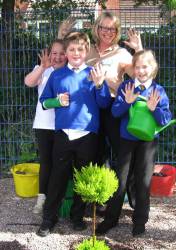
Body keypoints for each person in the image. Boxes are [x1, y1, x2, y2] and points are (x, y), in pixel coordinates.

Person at [37, 32, 111, 237]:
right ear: (67, 52)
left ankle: (76, 217)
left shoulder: (93, 73)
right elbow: (44, 102)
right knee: (57, 178)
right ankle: (48, 219)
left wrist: (99, 84)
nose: (76, 53)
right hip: (63, 134)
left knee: (82, 179)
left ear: (86, 51)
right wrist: (56, 101)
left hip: (87, 134)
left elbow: (104, 103)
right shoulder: (57, 74)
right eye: (72, 49)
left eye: (80, 49)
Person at [96, 49, 172, 236]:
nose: (141, 71)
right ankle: (111, 219)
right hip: (127, 140)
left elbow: (165, 120)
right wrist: (127, 102)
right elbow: (115, 112)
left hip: (148, 142)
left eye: (145, 67)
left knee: (143, 181)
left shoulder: (158, 90)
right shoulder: (126, 87)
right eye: (137, 67)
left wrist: (154, 109)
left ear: (152, 68)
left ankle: (139, 222)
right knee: (120, 180)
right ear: (133, 68)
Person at [86, 11, 143, 212]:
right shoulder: (87, 50)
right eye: (104, 27)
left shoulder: (121, 54)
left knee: (123, 153)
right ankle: (100, 200)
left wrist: (139, 50)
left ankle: (136, 200)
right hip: (90, 108)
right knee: (96, 153)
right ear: (97, 28)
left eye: (112, 28)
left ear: (116, 31)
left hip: (114, 108)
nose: (107, 32)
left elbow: (140, 73)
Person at [24, 39, 67, 214]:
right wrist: (42, 67)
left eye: (61, 53)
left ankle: (59, 198)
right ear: (49, 54)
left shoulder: (69, 72)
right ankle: (42, 198)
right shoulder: (42, 70)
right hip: (43, 125)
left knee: (61, 163)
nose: (57, 57)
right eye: (54, 53)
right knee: (46, 162)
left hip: (63, 126)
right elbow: (28, 82)